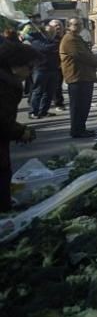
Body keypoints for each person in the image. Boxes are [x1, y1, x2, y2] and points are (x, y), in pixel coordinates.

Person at [0, 42, 40, 212]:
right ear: (16, 65)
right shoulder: (5, 85)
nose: (30, 73)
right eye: (29, 67)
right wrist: (20, 132)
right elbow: (1, 121)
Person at [60, 17, 97, 138]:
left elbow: (87, 53)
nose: (78, 27)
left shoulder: (76, 38)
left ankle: (81, 128)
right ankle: (77, 130)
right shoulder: (69, 39)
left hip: (83, 76)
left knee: (84, 105)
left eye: (79, 24)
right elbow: (81, 55)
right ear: (69, 26)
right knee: (78, 106)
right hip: (77, 77)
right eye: (75, 24)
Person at [27, 20, 62, 119]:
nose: (52, 31)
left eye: (53, 30)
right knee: (38, 91)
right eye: (50, 29)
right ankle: (33, 112)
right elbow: (44, 48)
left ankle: (43, 111)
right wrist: (55, 45)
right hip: (40, 69)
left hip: (53, 69)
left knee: (49, 92)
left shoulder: (54, 39)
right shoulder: (36, 38)